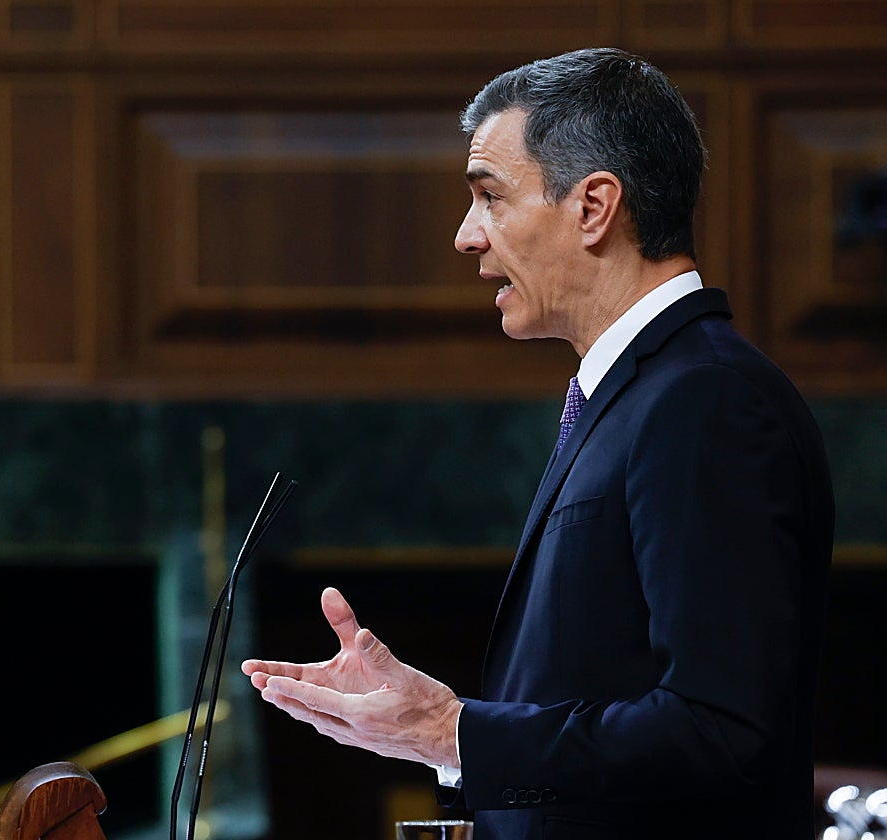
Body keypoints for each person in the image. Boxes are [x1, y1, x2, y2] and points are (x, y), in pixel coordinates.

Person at [241, 47, 834, 840]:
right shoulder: (636, 394)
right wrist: (448, 740)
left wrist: (454, 732)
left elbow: (719, 731)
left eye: (489, 197)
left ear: (594, 206)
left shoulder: (708, 400)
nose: (465, 237)